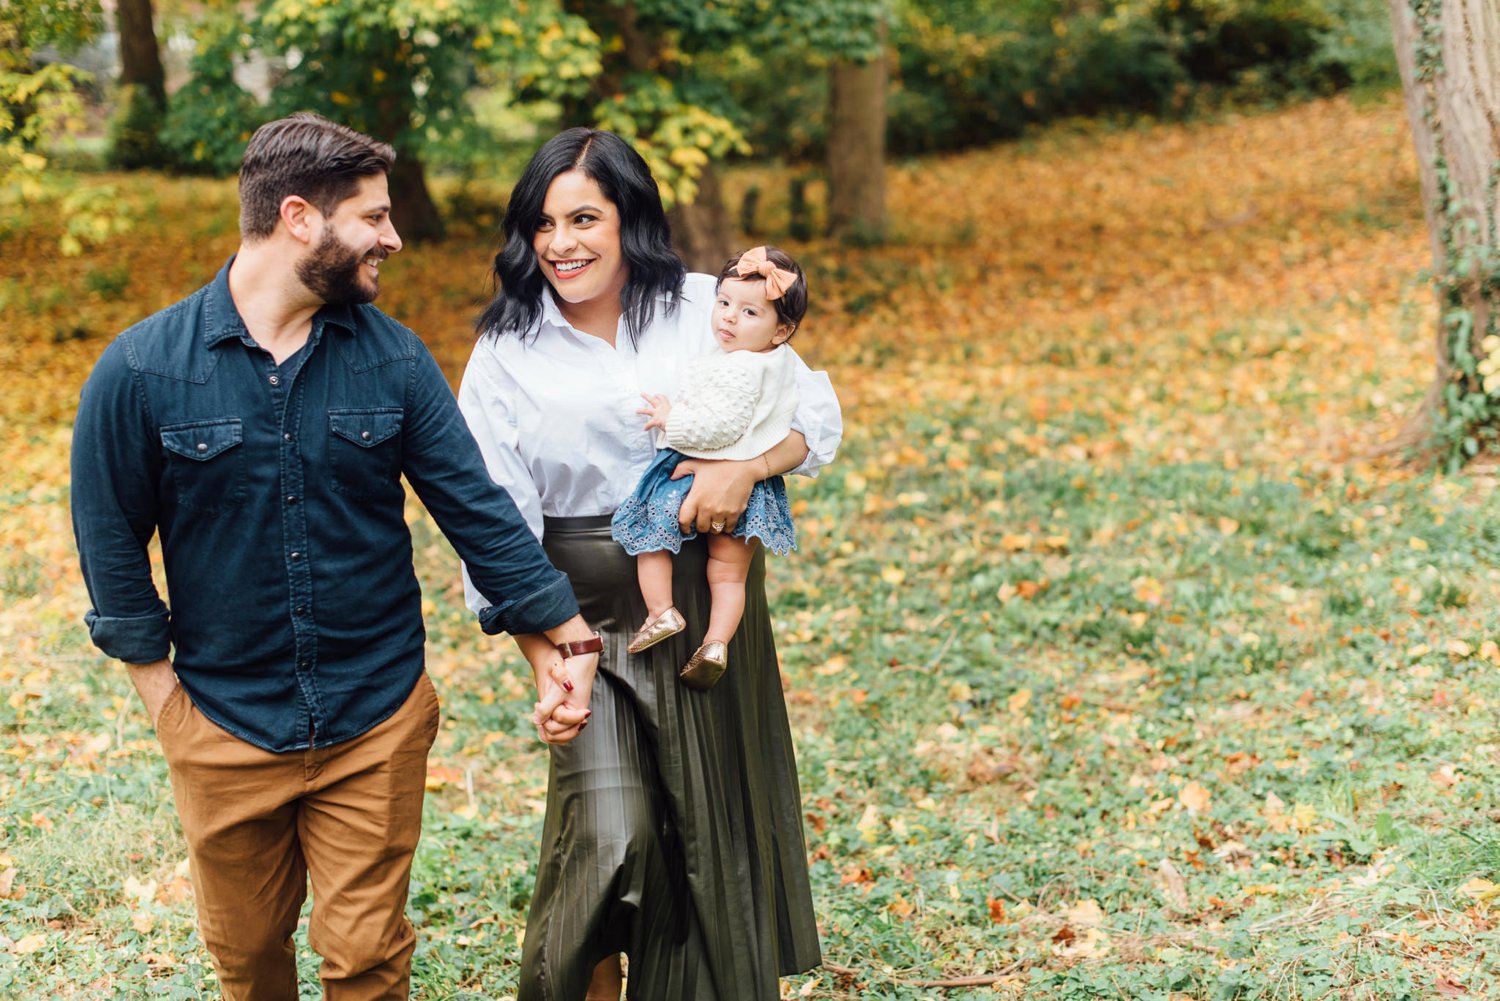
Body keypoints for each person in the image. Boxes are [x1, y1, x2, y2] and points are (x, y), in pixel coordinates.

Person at [70, 112, 601, 1001]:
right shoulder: (142, 371)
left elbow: (477, 512)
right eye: (374, 217)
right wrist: (168, 707)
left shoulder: (393, 360)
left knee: (365, 959)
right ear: (299, 218)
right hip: (222, 720)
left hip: (377, 714)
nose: (393, 237)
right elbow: (110, 547)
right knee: (248, 960)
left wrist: (568, 635)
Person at [459, 127, 841, 1000]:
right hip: (574, 612)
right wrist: (547, 657)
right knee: (609, 827)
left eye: (585, 217)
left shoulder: (708, 307)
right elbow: (493, 515)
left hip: (701, 605)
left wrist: (745, 468)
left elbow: (814, 414)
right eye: (544, 223)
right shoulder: (507, 350)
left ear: (630, 216)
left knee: (703, 839)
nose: (562, 243)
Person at [610, 246, 810, 690]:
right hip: (756, 486)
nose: (728, 318)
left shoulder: (738, 368)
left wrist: (670, 419)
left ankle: (661, 611)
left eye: (749, 312)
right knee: (728, 573)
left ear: (782, 330)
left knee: (649, 537)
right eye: (723, 303)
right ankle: (716, 643)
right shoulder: (772, 363)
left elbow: (718, 427)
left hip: (701, 474)